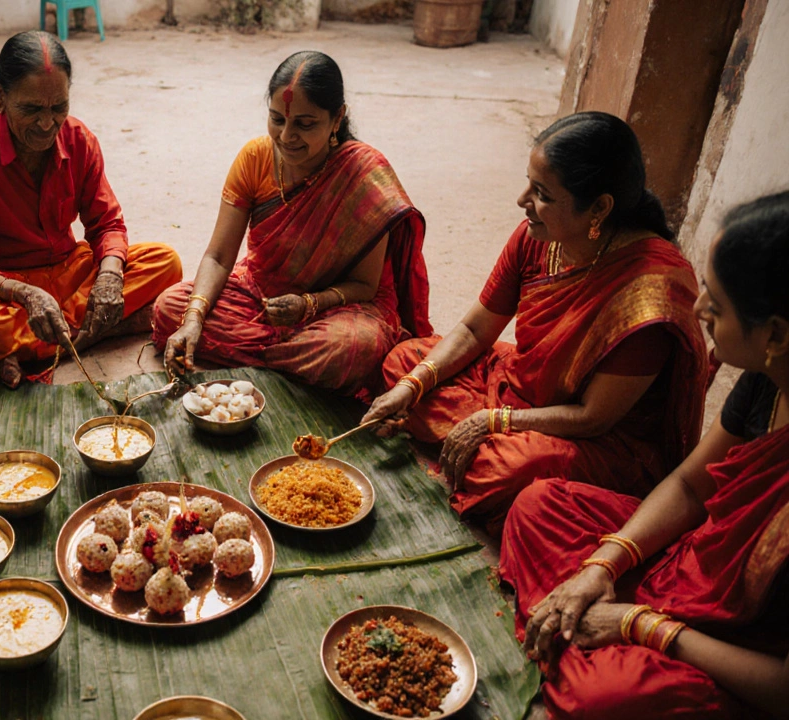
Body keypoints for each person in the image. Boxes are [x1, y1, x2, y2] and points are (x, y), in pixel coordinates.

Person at [501, 191, 789, 719]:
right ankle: (575, 628)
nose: (698, 309)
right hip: (686, 566)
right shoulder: (767, 382)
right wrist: (601, 567)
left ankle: (575, 638)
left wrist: (640, 625)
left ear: (774, 334)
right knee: (537, 505)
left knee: (602, 699)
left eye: (717, 306)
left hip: (738, 645)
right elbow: (688, 487)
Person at [360, 112, 708, 532]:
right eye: (529, 183)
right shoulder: (536, 236)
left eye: (541, 192)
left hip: (593, 435)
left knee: (503, 473)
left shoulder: (648, 293)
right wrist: (412, 385)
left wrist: (492, 422)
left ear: (599, 207)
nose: (523, 200)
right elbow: (475, 330)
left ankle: (479, 451)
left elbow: (593, 417)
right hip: (520, 385)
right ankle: (467, 440)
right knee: (405, 359)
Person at [154, 51, 430, 397]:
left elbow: (364, 285)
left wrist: (308, 305)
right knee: (171, 308)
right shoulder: (255, 157)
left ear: (336, 118)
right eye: (277, 120)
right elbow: (219, 257)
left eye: (305, 123)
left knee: (350, 349)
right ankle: (288, 370)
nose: (286, 136)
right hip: (260, 295)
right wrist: (193, 320)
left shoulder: (362, 176)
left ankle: (258, 362)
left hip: (339, 307)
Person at [0, 30, 182, 387]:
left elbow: (107, 224)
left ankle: (30, 349)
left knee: (164, 261)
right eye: (31, 109)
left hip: (66, 274)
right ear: (0, 95)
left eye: (58, 107)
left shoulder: (80, 140)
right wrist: (25, 294)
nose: (47, 124)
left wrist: (109, 278)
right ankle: (98, 332)